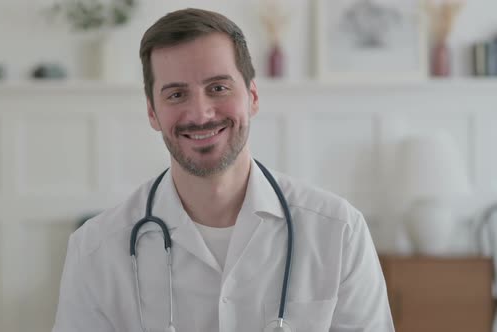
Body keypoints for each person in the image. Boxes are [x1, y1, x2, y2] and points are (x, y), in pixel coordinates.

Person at [52, 8, 394, 332]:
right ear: (152, 113)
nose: (200, 114)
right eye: (176, 95)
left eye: (218, 88)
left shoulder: (338, 232)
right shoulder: (95, 250)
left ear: (253, 97)